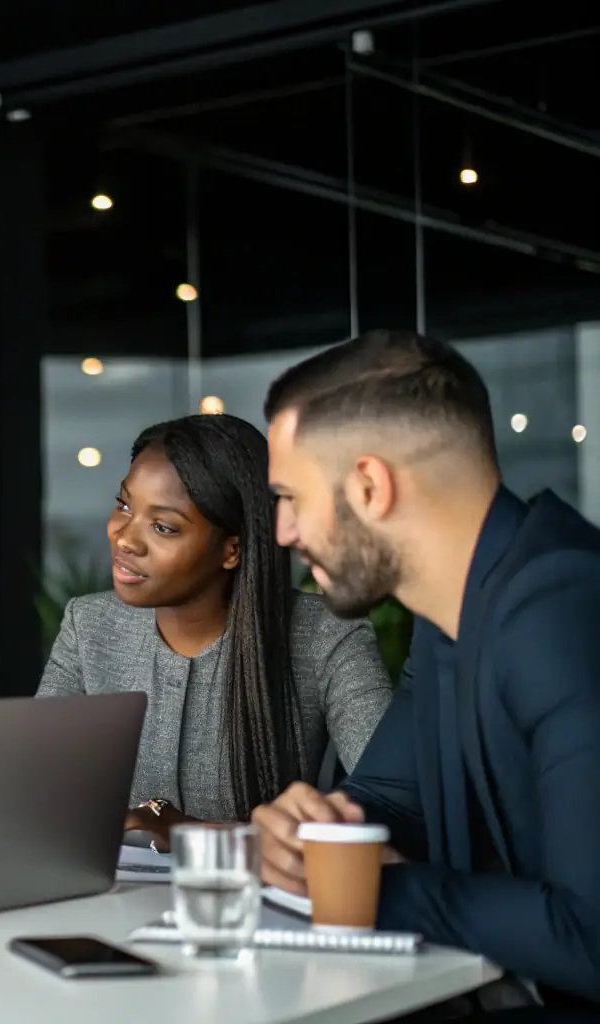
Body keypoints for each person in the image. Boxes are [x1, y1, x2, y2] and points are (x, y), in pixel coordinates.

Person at [253, 330, 600, 1016]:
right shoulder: (452, 614)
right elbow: (389, 799)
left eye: (289, 497)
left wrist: (357, 888)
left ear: (369, 485)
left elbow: (590, 936)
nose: (282, 532)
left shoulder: (557, 608)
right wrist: (319, 834)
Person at [0, 413, 393, 860]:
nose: (124, 538)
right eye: (124, 506)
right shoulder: (91, 625)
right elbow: (39, 782)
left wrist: (190, 832)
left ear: (232, 550)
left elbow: (391, 808)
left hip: (252, 923)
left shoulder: (327, 637)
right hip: (108, 908)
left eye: (164, 527)